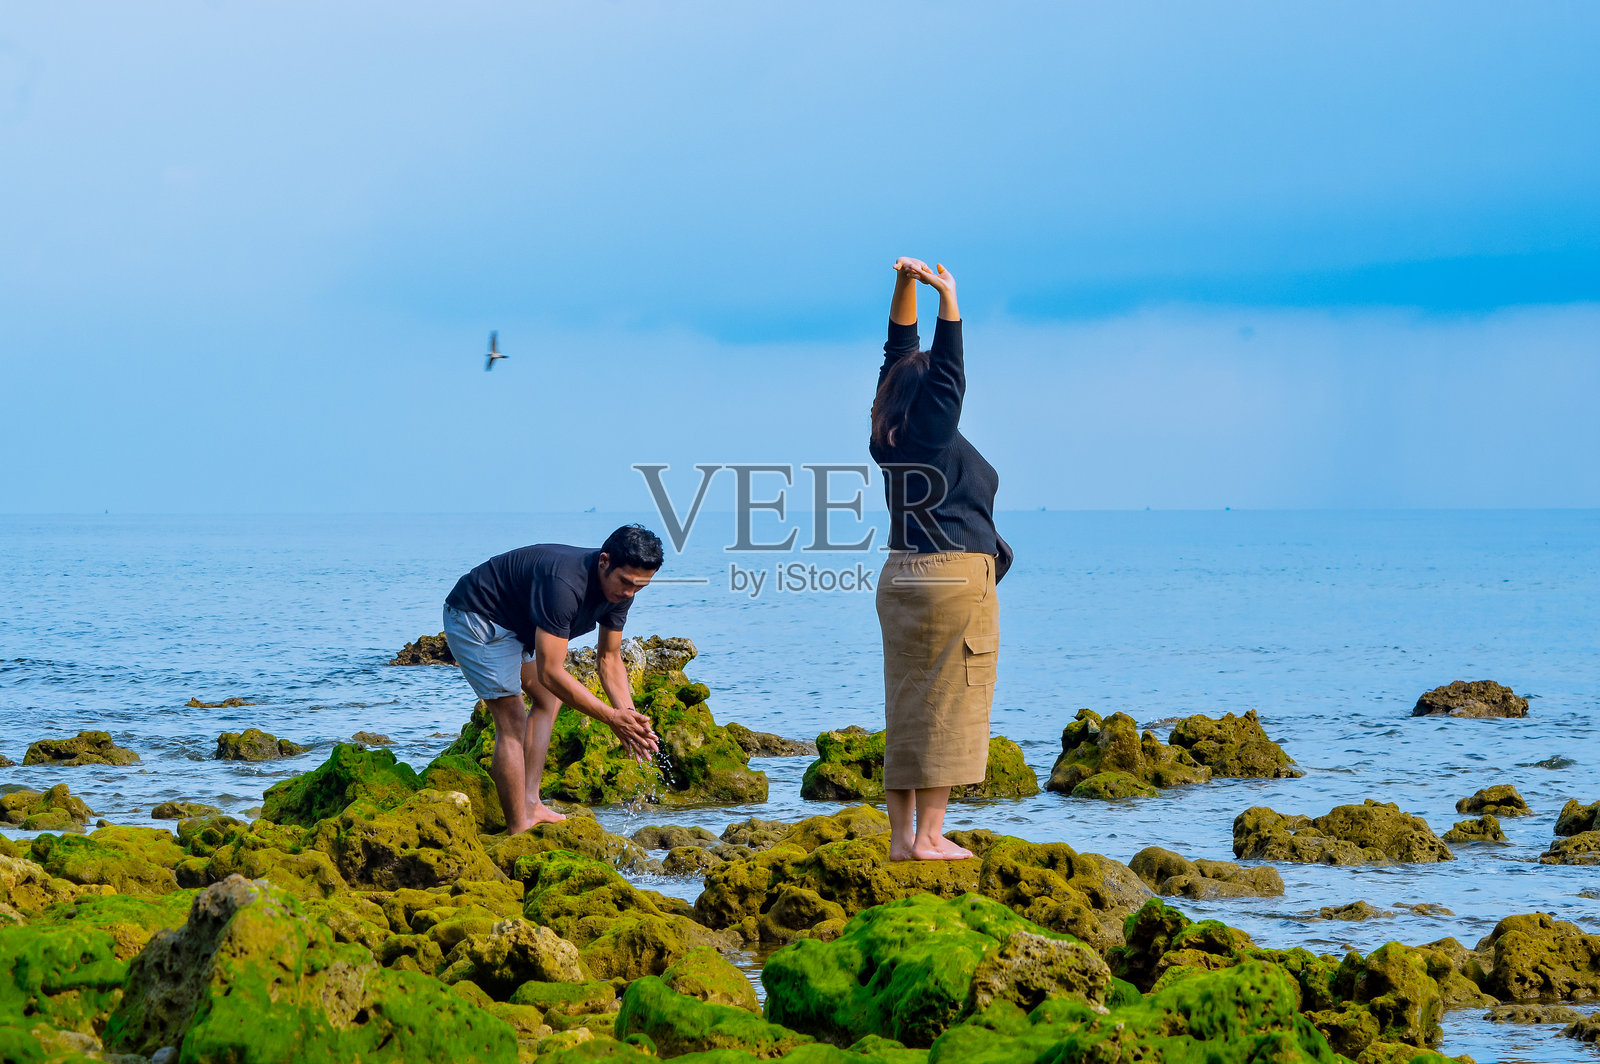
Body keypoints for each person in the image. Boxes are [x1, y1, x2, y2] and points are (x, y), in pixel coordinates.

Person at [869, 257, 1012, 862]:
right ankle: (929, 836)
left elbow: (897, 354)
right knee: (953, 700)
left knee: (906, 704)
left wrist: (905, 286)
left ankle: (903, 839)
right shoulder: (932, 429)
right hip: (952, 578)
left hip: (901, 576)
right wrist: (948, 299)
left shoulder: (888, 431)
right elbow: (948, 372)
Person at [442, 524, 664, 834]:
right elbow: (550, 672)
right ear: (604, 561)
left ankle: (531, 803)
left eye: (639, 586)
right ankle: (518, 828)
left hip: (517, 625)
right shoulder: (564, 585)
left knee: (549, 700)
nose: (629, 593)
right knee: (512, 720)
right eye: (626, 582)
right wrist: (611, 718)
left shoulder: (621, 591)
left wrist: (629, 717)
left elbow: (609, 658)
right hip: (477, 615)